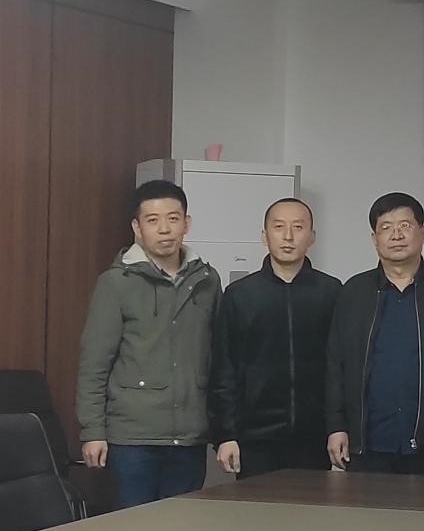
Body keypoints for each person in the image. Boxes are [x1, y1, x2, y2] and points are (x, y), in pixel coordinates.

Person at [76, 180, 222, 507]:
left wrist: (223, 428)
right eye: (153, 220)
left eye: (173, 219)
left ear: (187, 223)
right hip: (133, 438)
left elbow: (219, 356)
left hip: (190, 435)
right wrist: (92, 431)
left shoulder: (207, 280)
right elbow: (94, 363)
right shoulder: (116, 283)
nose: (164, 229)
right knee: (134, 529)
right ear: (137, 228)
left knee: (183, 526)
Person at [325, 193, 424, 475]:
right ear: (374, 239)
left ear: (423, 232)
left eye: (405, 226)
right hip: (368, 442)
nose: (396, 235)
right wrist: (336, 425)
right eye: (386, 227)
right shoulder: (353, 292)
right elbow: (336, 363)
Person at [208, 198, 341, 478]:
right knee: (256, 507)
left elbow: (340, 367)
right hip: (254, 438)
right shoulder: (240, 295)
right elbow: (223, 369)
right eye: (279, 227)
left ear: (312, 237)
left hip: (314, 437)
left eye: (298, 227)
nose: (288, 236)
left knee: (311, 506)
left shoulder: (331, 292)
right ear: (264, 236)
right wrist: (225, 434)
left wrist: (338, 427)